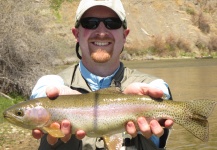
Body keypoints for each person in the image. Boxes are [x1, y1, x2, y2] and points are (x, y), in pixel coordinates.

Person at [30, 0, 174, 149]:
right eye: (90, 23)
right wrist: (47, 101)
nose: (101, 32)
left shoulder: (146, 84)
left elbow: (160, 89)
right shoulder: (56, 83)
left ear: (125, 35)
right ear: (76, 34)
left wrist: (156, 99)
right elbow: (43, 90)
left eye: (112, 23)